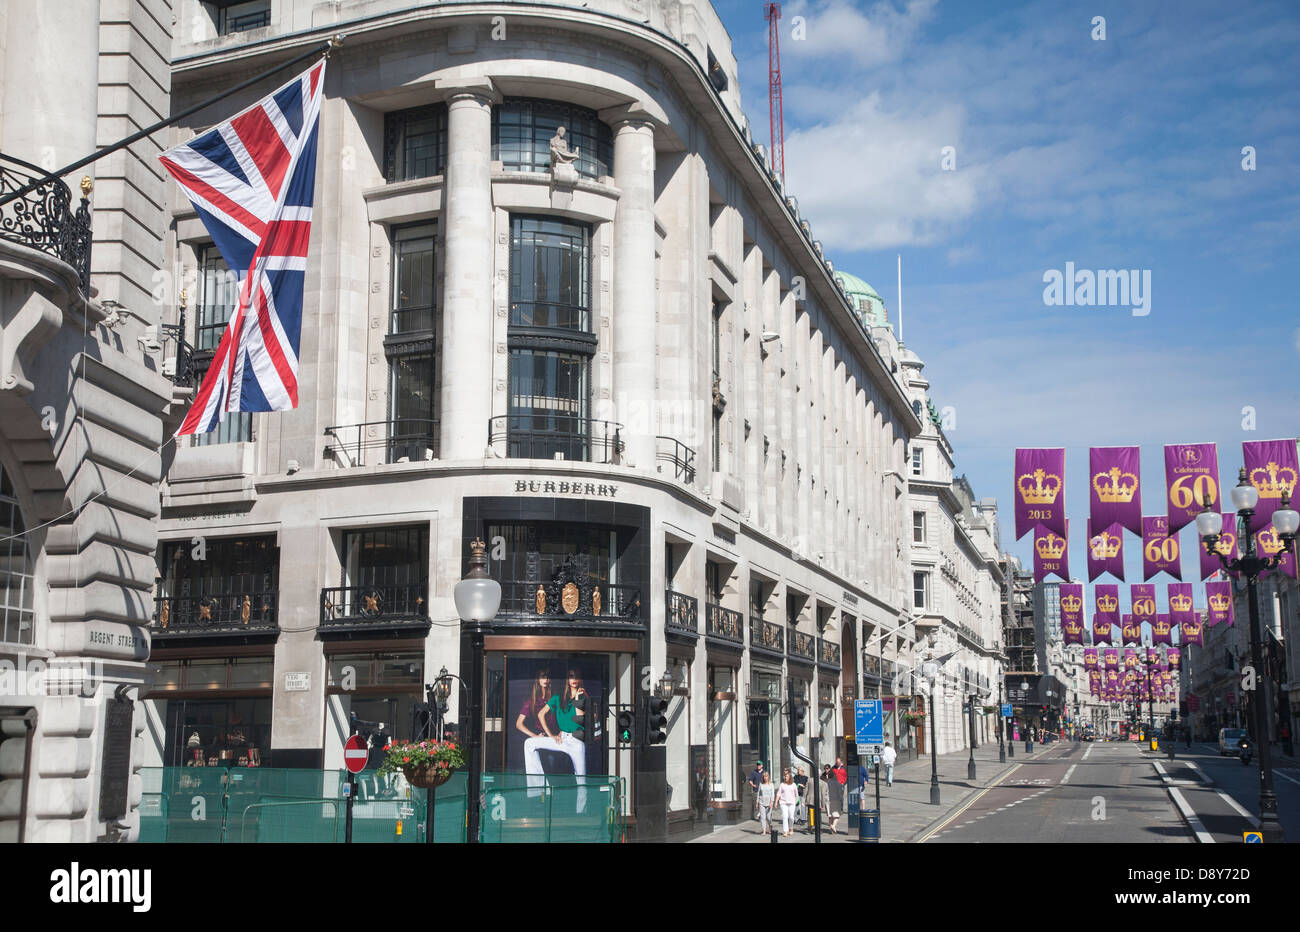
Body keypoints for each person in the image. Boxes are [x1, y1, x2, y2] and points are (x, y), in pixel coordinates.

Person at [530, 669, 589, 811]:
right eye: (571, 677)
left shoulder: (583, 696)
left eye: (576, 677)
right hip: (561, 738)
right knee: (529, 743)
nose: (574, 680)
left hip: (577, 740)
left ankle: (581, 812)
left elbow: (580, 719)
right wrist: (551, 735)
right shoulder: (557, 697)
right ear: (567, 680)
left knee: (581, 779)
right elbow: (540, 714)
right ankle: (540, 788)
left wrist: (577, 700)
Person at [775, 769, 800, 836]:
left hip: (792, 803)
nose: (785, 778)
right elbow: (778, 794)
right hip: (783, 803)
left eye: (787, 776)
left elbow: (796, 795)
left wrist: (795, 801)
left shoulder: (794, 785)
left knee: (791, 817)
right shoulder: (782, 785)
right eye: (785, 776)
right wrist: (776, 802)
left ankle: (791, 828)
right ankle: (785, 831)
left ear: (790, 778)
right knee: (785, 817)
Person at [824, 764, 844, 834]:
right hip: (835, 800)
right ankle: (833, 826)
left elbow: (824, 792)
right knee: (836, 815)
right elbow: (840, 792)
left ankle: (831, 829)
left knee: (830, 816)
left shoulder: (826, 782)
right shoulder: (837, 782)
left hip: (828, 800)